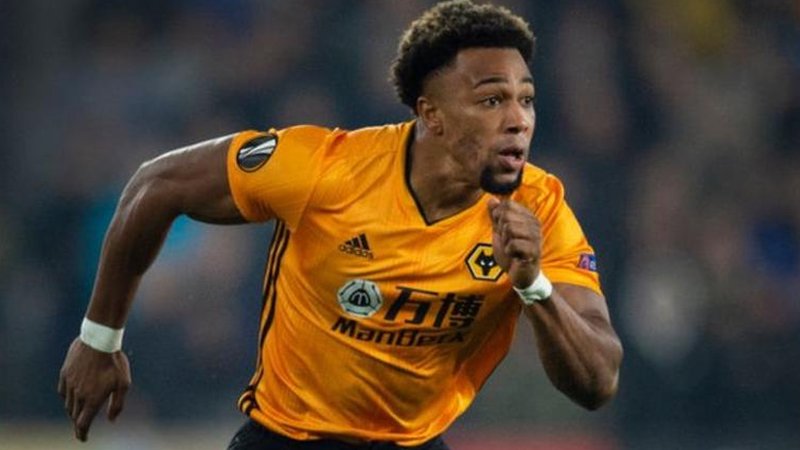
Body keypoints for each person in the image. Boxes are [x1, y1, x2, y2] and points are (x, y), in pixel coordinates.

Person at [57, 1, 623, 448]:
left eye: (527, 99)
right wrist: (100, 339)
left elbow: (599, 381)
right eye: (492, 100)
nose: (519, 120)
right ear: (431, 114)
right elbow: (156, 185)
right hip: (288, 439)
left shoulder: (540, 208)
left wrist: (533, 286)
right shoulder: (326, 170)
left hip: (413, 443)